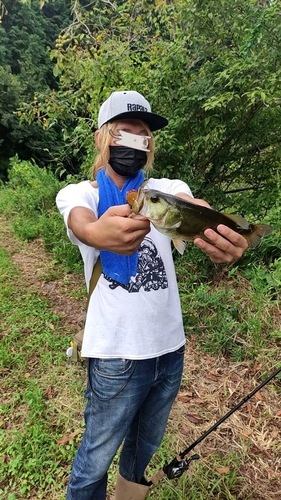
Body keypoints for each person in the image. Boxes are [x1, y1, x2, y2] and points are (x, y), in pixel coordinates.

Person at [56, 90, 248, 500]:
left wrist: (221, 231)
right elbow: (81, 223)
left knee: (142, 452)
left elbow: (192, 206)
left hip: (169, 351)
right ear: (104, 139)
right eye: (124, 133)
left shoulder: (163, 190)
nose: (134, 142)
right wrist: (97, 234)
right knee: (96, 457)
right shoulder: (83, 193)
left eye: (143, 136)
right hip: (115, 356)